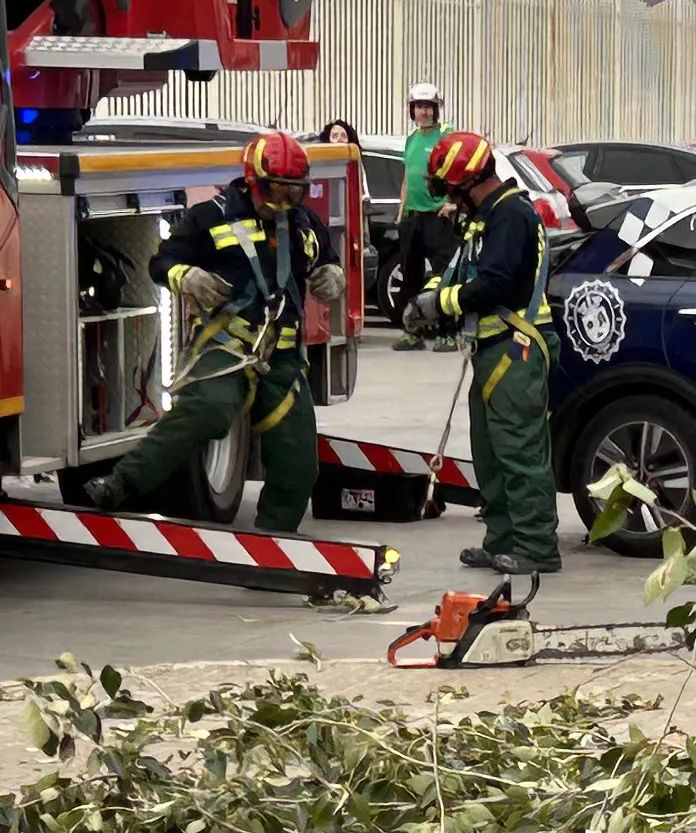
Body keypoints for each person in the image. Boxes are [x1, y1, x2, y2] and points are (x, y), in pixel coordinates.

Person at [97, 130, 338, 533]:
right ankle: (121, 483)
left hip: (281, 360)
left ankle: (273, 544)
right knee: (206, 409)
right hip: (226, 351)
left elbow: (325, 257)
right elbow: (162, 262)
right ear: (253, 181)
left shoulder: (303, 223)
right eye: (277, 190)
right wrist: (186, 276)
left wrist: (332, 274)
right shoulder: (210, 216)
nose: (284, 202)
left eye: (294, 192)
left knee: (299, 464)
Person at [421, 129, 560, 576]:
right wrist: (431, 294)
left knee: (519, 451)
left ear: (467, 183)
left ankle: (537, 546)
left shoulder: (511, 217)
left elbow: (498, 283)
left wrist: (441, 304)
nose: (452, 200)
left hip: (516, 348)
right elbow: (461, 268)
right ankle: (502, 538)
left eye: (453, 190)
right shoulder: (488, 216)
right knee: (490, 450)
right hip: (493, 348)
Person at [394, 78, 454, 342]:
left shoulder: (447, 138)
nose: (424, 112)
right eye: (419, 107)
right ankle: (412, 332)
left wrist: (452, 204)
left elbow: (458, 175)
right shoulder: (411, 139)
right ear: (412, 110)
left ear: (437, 109)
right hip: (413, 218)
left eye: (429, 107)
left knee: (444, 275)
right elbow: (407, 178)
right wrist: (401, 211)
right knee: (411, 276)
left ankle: (446, 332)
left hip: (438, 218)